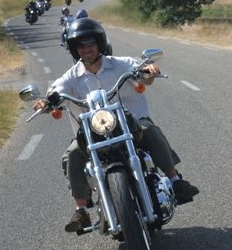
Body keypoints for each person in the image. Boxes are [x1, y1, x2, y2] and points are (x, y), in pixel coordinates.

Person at [33, 18, 199, 234]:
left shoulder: (121, 64)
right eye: (81, 45)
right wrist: (46, 102)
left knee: (150, 131)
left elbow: (143, 74)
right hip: (92, 132)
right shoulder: (71, 77)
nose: (86, 48)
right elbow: (55, 91)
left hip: (131, 123)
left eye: (91, 43)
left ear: (99, 43)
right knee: (72, 154)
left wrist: (149, 70)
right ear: (74, 49)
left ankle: (175, 180)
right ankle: (81, 210)